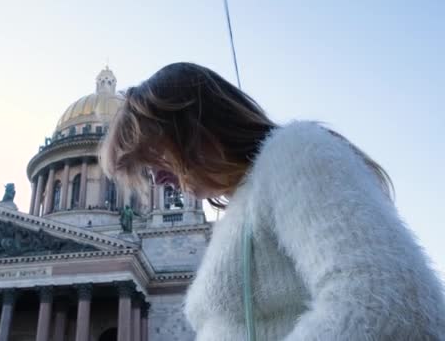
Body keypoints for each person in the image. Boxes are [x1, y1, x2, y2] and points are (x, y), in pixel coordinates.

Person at [99, 62, 445, 340]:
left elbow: (379, 299)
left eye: (153, 154)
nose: (155, 178)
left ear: (191, 127)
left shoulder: (294, 153)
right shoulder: (241, 209)